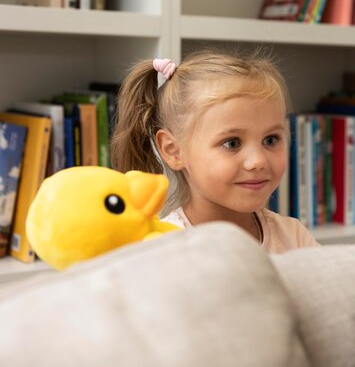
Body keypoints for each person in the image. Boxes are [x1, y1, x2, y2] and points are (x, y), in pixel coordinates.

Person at [110, 49, 319, 253]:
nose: (257, 161)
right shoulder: (163, 247)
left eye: (270, 140)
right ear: (173, 150)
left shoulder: (295, 238)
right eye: (232, 143)